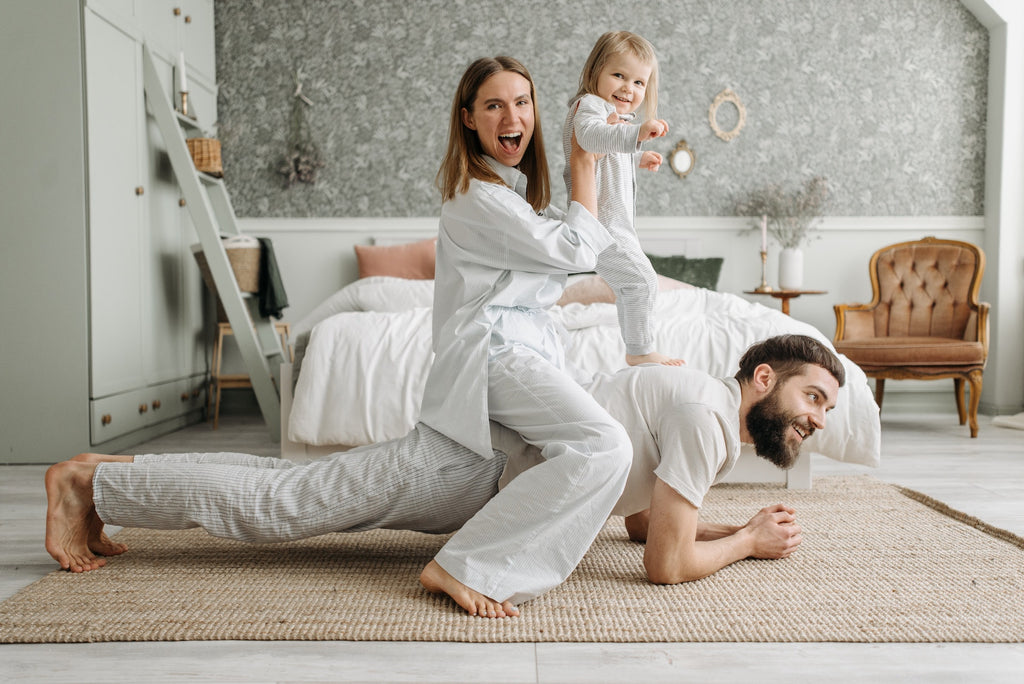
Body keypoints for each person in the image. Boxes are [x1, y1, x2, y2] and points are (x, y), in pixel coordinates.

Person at [44, 335, 845, 613]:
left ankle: (109, 477)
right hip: (473, 466)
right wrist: (743, 543)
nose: (815, 419)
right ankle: (88, 485)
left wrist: (729, 529)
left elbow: (639, 525)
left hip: (489, 477)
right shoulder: (710, 413)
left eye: (828, 414)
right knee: (284, 505)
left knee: (287, 496)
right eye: (813, 396)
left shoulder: (702, 411)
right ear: (764, 379)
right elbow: (665, 567)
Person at [416, 56, 633, 617]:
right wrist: (582, 159)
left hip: (523, 351)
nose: (512, 116)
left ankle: (492, 557)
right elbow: (576, 250)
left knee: (576, 449)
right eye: (493, 104)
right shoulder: (478, 199)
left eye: (522, 102)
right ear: (468, 118)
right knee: (606, 445)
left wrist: (611, 156)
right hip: (494, 352)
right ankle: (461, 565)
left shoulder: (515, 197)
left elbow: (586, 233)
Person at [563, 30, 679, 367]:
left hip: (616, 223)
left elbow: (608, 150)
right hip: (600, 222)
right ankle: (640, 350)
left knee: (635, 283)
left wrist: (636, 157)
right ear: (595, 71)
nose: (629, 88)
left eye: (639, 82)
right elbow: (590, 137)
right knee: (642, 280)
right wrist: (636, 134)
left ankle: (638, 347)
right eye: (619, 75)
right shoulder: (589, 106)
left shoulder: (614, 118)